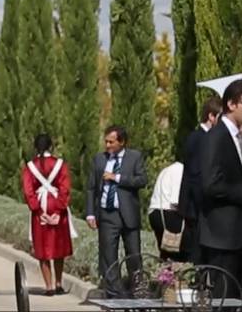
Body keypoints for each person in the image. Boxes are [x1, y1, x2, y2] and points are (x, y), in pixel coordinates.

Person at [198, 79, 242, 304]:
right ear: (231, 104)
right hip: (223, 237)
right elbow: (210, 185)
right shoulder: (215, 138)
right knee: (225, 300)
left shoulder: (239, 137)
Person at [85, 125, 147, 298]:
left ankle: (138, 292)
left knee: (134, 255)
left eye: (111, 142)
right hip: (107, 215)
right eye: (106, 141)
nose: (107, 145)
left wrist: (117, 178)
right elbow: (90, 188)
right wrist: (90, 213)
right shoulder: (99, 159)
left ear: (122, 142)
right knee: (108, 256)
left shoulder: (134, 157)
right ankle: (115, 294)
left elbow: (142, 180)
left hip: (128, 215)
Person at [21, 133, 74, 296]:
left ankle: (49, 285)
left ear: (35, 147)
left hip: (41, 207)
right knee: (59, 245)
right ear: (51, 146)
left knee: (43, 247)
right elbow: (65, 188)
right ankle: (59, 283)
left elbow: (28, 191)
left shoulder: (30, 167)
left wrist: (37, 210)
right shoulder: (60, 164)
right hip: (57, 204)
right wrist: (58, 211)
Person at [178, 97, 222, 264]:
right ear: (211, 116)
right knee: (197, 250)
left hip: (197, 206)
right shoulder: (199, 138)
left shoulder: (204, 138)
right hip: (196, 207)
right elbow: (196, 174)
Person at [148, 160, 186, 261]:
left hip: (155, 211)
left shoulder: (167, 170)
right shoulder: (180, 170)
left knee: (165, 253)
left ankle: (164, 274)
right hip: (168, 212)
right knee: (177, 252)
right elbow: (176, 200)